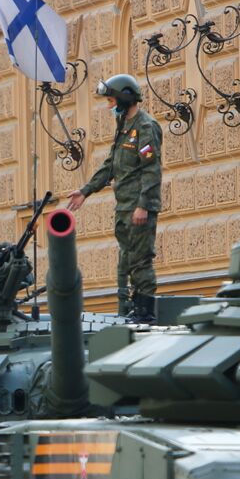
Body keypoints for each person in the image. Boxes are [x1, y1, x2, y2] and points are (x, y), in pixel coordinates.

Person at [66, 74, 163, 322]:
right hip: (124, 206)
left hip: (138, 207)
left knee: (141, 259)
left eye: (111, 100)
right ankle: (128, 306)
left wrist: (144, 206)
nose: (109, 105)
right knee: (126, 260)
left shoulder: (145, 127)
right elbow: (111, 165)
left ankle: (145, 311)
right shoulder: (123, 126)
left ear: (124, 98)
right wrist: (86, 191)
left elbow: (152, 169)